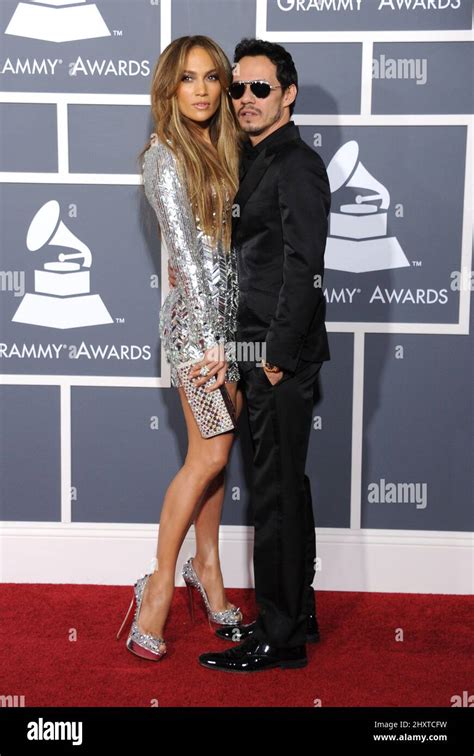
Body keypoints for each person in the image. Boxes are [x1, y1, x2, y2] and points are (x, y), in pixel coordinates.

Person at [170, 38, 331, 672]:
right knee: (284, 488)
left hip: (277, 354)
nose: (243, 99)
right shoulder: (259, 159)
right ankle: (297, 614)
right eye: (238, 88)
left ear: (288, 95)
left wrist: (277, 355)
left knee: (274, 495)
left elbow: (303, 266)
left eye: (258, 88)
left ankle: (281, 636)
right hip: (257, 347)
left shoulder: (296, 164)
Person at [116, 35, 247, 661]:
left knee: (216, 457)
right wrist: (211, 339)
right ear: (168, 88)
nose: (201, 89)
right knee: (210, 454)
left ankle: (210, 568)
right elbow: (190, 261)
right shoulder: (164, 155)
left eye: (212, 78)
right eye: (188, 78)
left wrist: (237, 332)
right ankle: (161, 584)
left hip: (235, 331)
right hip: (198, 333)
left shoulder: (223, 146)